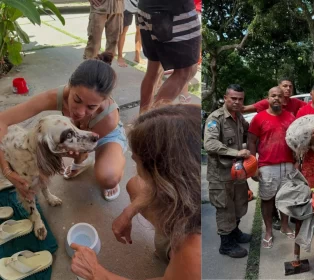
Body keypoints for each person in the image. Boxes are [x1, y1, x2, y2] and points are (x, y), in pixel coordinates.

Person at [70, 104, 201, 279]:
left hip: (192, 261)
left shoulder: (194, 250)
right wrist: (128, 212)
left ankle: (176, 262)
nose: (134, 165)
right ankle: (172, 256)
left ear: (162, 176)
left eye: (136, 160)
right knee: (135, 185)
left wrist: (96, 272)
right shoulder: (191, 184)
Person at [0, 53, 126, 201]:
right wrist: (7, 170)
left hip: (103, 135)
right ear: (70, 86)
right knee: (46, 147)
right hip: (75, 132)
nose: (80, 112)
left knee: (108, 178)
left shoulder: (109, 118)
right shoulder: (53, 96)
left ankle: (105, 162)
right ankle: (81, 162)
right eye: (77, 99)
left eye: (91, 107)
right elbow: (2, 121)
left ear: (104, 101)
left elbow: (85, 146)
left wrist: (69, 152)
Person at [204, 84, 252, 258]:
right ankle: (226, 244)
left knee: (239, 205)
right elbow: (209, 144)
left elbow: (249, 133)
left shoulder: (239, 117)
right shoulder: (215, 118)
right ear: (225, 98)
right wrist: (236, 152)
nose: (237, 102)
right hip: (221, 175)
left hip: (237, 172)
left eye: (240, 99)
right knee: (225, 209)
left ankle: (234, 233)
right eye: (233, 98)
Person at [247, 87, 296, 249]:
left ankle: (284, 225)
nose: (276, 98)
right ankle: (268, 230)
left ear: (283, 99)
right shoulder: (259, 118)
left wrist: (297, 161)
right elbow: (251, 142)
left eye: (279, 96)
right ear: (267, 98)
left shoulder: (290, 117)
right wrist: (252, 165)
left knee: (286, 198)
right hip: (267, 166)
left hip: (288, 164)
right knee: (267, 199)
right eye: (273, 96)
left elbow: (296, 141)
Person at [137, 0, 201, 113]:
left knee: (153, 69)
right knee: (186, 70)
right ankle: (151, 123)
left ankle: (141, 121)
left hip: (146, 8)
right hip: (174, 11)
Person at [117, 0, 143, 67]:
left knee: (140, 30)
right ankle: (120, 56)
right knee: (123, 30)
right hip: (126, 5)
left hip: (141, 5)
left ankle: (137, 56)